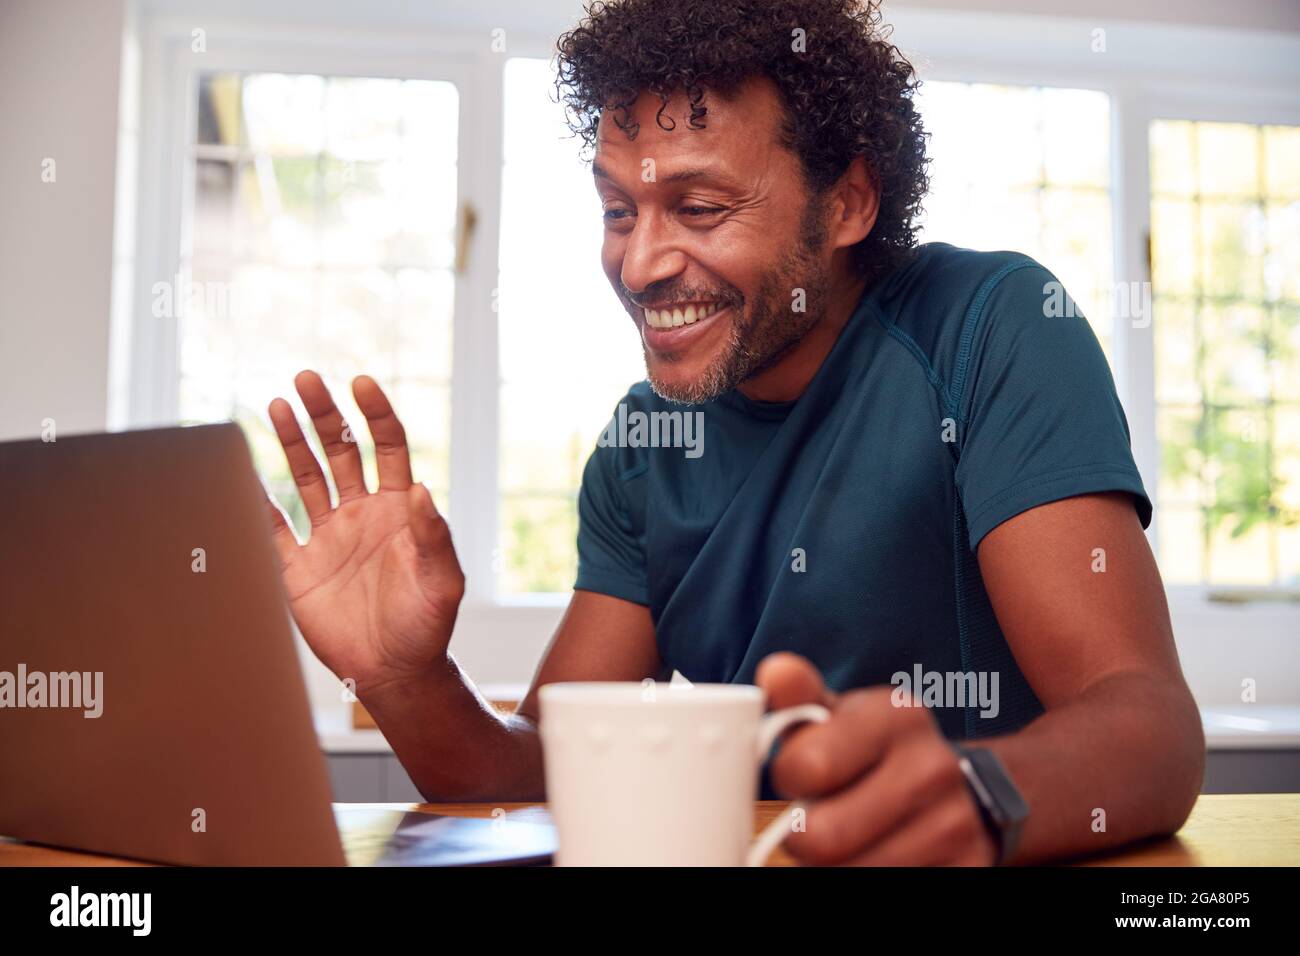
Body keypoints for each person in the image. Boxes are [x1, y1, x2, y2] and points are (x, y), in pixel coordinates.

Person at [263, 0, 1203, 865]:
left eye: (701, 209)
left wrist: (977, 799)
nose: (639, 265)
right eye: (619, 212)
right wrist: (405, 677)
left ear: (847, 204)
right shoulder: (644, 446)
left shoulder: (990, 328)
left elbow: (1145, 724)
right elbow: (542, 777)